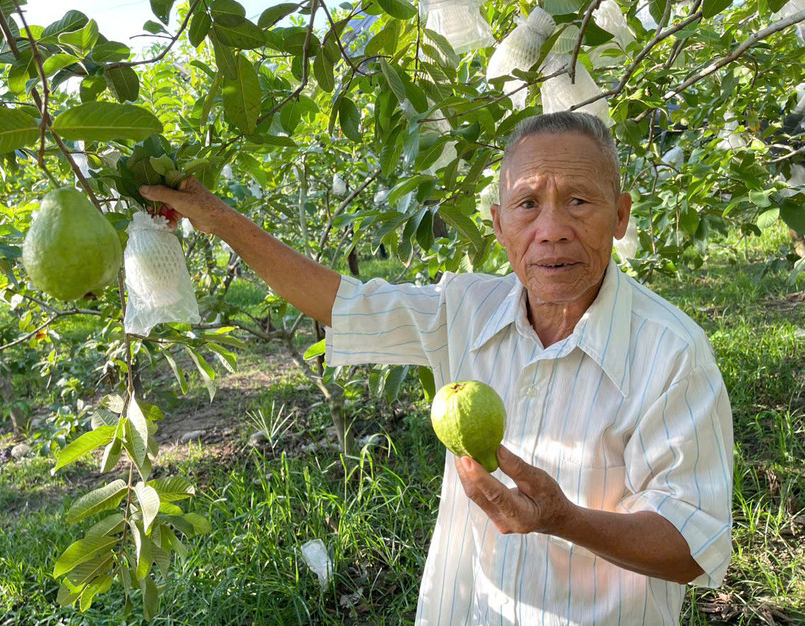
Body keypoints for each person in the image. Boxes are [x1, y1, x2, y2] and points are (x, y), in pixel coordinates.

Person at [139, 111, 733, 625]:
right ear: (499, 225)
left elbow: (692, 543)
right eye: (528, 204)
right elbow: (340, 303)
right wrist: (215, 218)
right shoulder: (466, 311)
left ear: (621, 217)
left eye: (579, 201)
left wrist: (563, 520)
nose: (551, 229)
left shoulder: (671, 353)